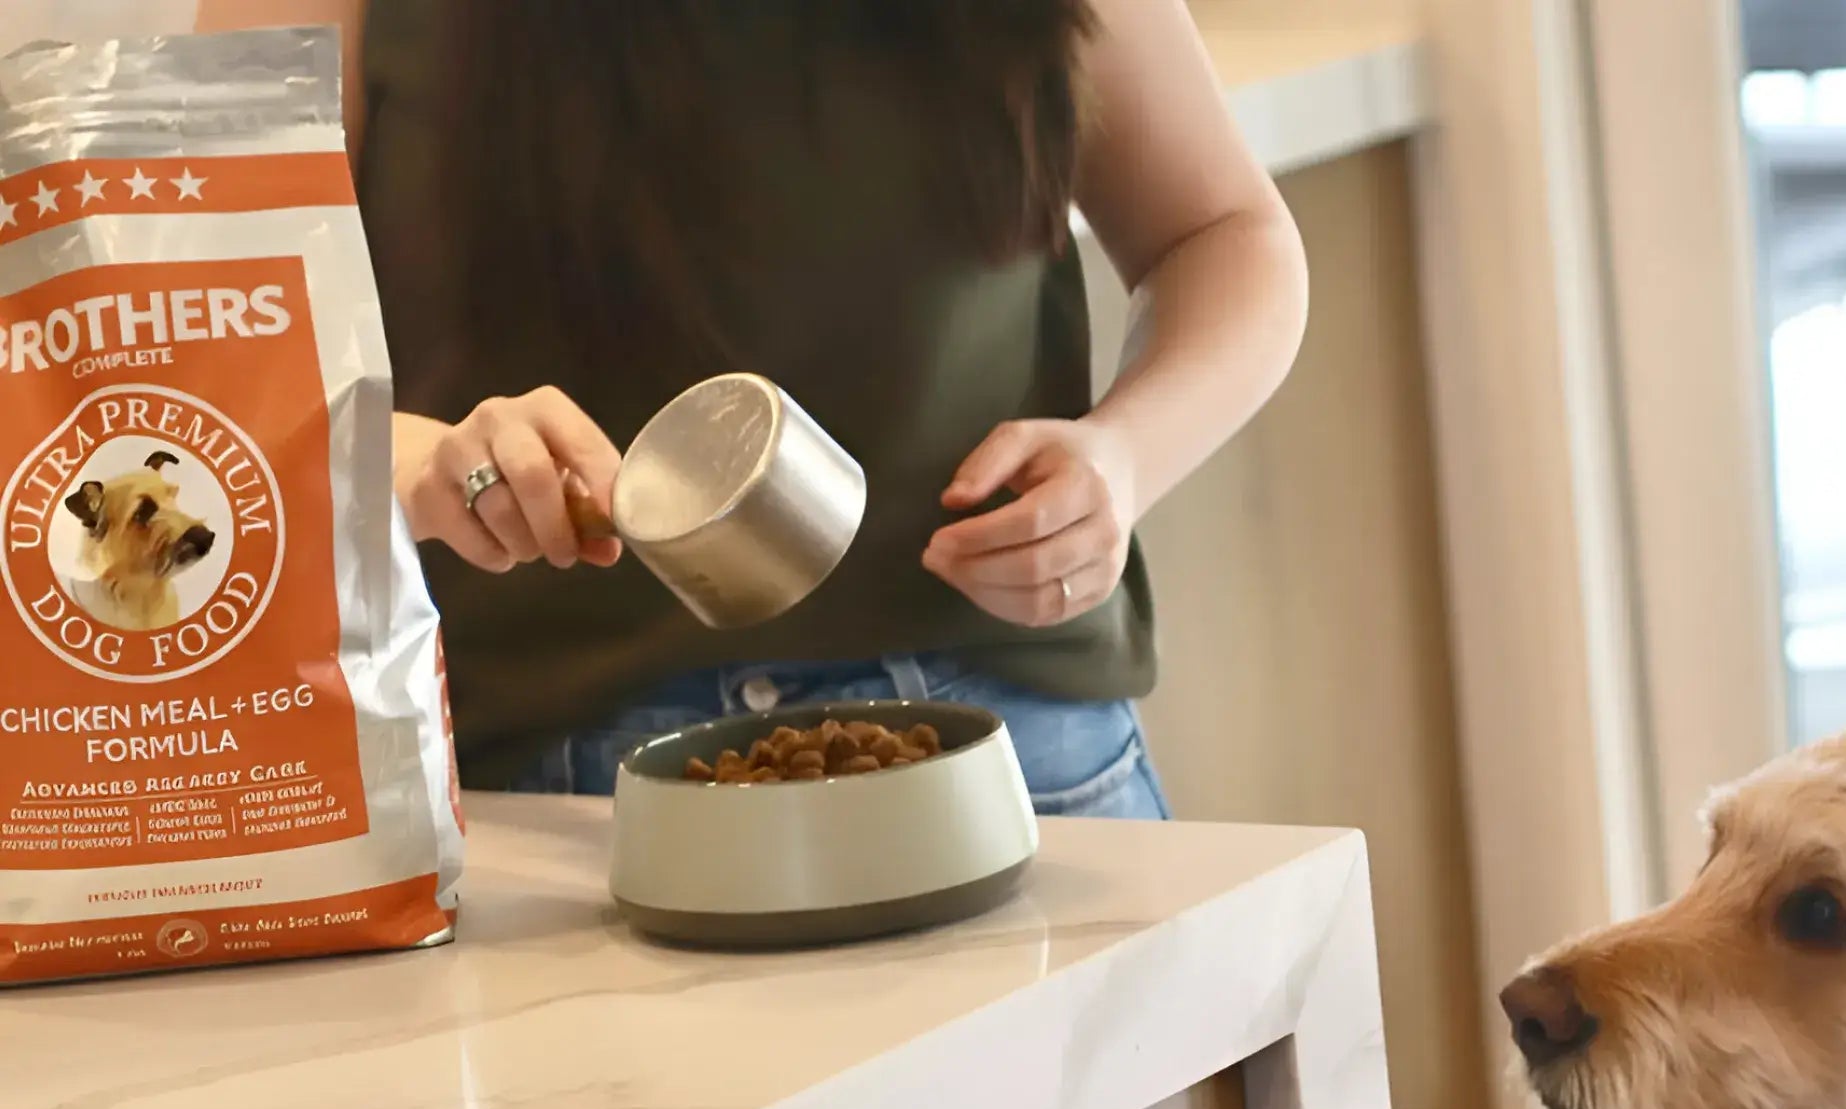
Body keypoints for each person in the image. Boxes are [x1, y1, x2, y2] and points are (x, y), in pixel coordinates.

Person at [196, 0, 1308, 816]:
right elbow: (199, 357)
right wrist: (421, 465)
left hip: (1014, 745)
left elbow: (1222, 232)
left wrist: (1122, 458)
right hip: (558, 784)